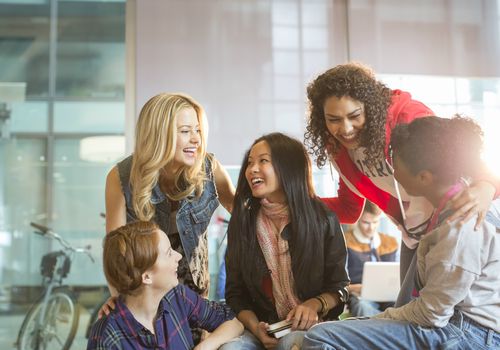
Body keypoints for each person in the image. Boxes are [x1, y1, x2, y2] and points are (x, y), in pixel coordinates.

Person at [304, 62, 500, 306]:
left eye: (354, 116)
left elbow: (463, 154)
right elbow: (349, 209)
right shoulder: (339, 149)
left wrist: (487, 186)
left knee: (439, 314)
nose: (345, 128)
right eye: (333, 119)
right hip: (415, 231)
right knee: (408, 311)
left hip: (459, 215)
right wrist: (298, 204)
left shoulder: (407, 118)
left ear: (371, 107)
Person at [303, 116, 500, 349]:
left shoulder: (458, 228)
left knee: (319, 336)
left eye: (395, 163)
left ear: (424, 177)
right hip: (455, 325)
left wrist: (377, 320)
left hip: (467, 334)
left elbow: (431, 314)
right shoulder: (454, 209)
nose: (392, 172)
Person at [101, 93, 235, 342]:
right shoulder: (120, 178)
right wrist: (122, 302)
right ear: (158, 134)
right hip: (145, 298)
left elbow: (246, 218)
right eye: (185, 131)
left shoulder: (209, 169)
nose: (196, 139)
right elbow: (114, 253)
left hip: (194, 301)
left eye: (197, 130)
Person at [222, 133, 350, 350]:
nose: (252, 169)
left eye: (263, 161)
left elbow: (339, 288)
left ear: (288, 167)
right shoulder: (242, 222)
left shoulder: (323, 219)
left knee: (293, 343)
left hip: (312, 327)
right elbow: (235, 294)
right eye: (250, 162)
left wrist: (313, 305)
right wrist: (256, 328)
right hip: (261, 327)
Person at [87, 221, 243, 350]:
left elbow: (233, 322)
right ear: (146, 277)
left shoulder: (177, 297)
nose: (178, 256)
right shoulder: (106, 336)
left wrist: (204, 347)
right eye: (169, 253)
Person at [345, 201, 398, 317]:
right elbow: (339, 284)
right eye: (366, 223)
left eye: (375, 222)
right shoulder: (346, 242)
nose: (371, 228)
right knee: (362, 306)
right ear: (358, 219)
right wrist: (355, 288)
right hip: (360, 295)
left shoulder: (390, 242)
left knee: (401, 305)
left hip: (386, 295)